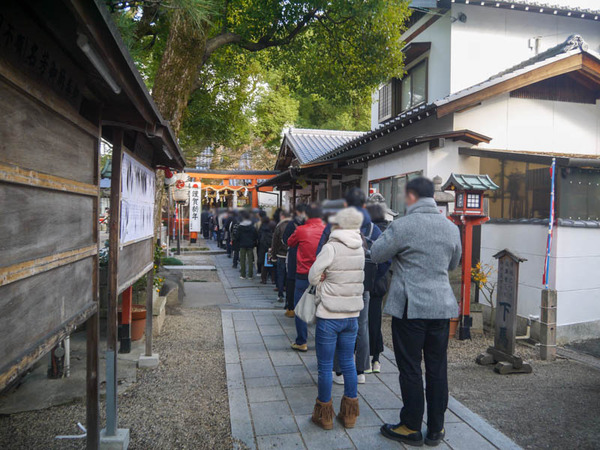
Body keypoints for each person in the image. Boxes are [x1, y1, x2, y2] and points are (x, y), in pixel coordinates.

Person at [371, 177, 462, 447]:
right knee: (437, 367)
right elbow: (453, 263)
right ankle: (436, 429)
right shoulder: (451, 228)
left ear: (411, 197)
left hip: (411, 307)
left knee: (410, 368)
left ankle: (411, 425)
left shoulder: (402, 225)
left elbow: (376, 253)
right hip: (441, 306)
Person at [317, 187, 384, 384]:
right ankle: (361, 370)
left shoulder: (334, 226)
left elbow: (320, 253)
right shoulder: (373, 228)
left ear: (345, 204)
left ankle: (338, 372)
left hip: (336, 285)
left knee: (337, 326)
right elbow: (383, 257)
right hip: (363, 286)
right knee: (361, 327)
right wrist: (371, 277)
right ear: (364, 205)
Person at [308, 207, 365, 430]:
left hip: (329, 315)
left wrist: (323, 280)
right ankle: (349, 415)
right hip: (352, 315)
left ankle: (325, 416)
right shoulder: (360, 248)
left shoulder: (331, 248)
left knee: (324, 366)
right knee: (349, 363)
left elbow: (313, 276)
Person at [287, 203, 325, 352]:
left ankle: (302, 341)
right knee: (322, 308)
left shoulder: (301, 230)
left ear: (306, 215)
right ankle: (321, 340)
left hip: (303, 274)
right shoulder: (325, 230)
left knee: (301, 307)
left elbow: (290, 242)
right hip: (322, 275)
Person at [365, 197, 391, 373]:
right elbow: (388, 260)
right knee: (375, 320)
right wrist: (378, 274)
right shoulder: (389, 231)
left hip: (365, 281)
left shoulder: (367, 229)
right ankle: (376, 359)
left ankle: (366, 358)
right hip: (380, 282)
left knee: (363, 321)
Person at [282, 204, 307, 318]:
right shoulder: (309, 225)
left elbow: (285, 240)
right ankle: (305, 309)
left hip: (293, 257)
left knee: (291, 282)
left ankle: (291, 307)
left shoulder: (292, 224)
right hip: (307, 259)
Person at [271, 210, 291, 303]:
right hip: (290, 254)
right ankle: (289, 293)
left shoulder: (279, 226)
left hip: (281, 254)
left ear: (282, 216)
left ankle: (280, 294)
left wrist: (273, 255)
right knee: (289, 275)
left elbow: (275, 242)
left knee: (280, 274)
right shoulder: (294, 225)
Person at [237, 210, 258, 279]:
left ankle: (243, 274)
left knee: (242, 260)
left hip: (242, 244)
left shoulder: (240, 226)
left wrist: (238, 242)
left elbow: (237, 236)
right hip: (250, 244)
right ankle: (250, 275)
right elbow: (255, 235)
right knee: (250, 260)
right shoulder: (252, 227)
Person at [258, 217, 276, 284]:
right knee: (272, 264)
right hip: (271, 248)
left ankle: (263, 279)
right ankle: (273, 279)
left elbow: (260, 239)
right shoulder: (272, 228)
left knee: (264, 264)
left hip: (263, 249)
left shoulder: (262, 229)